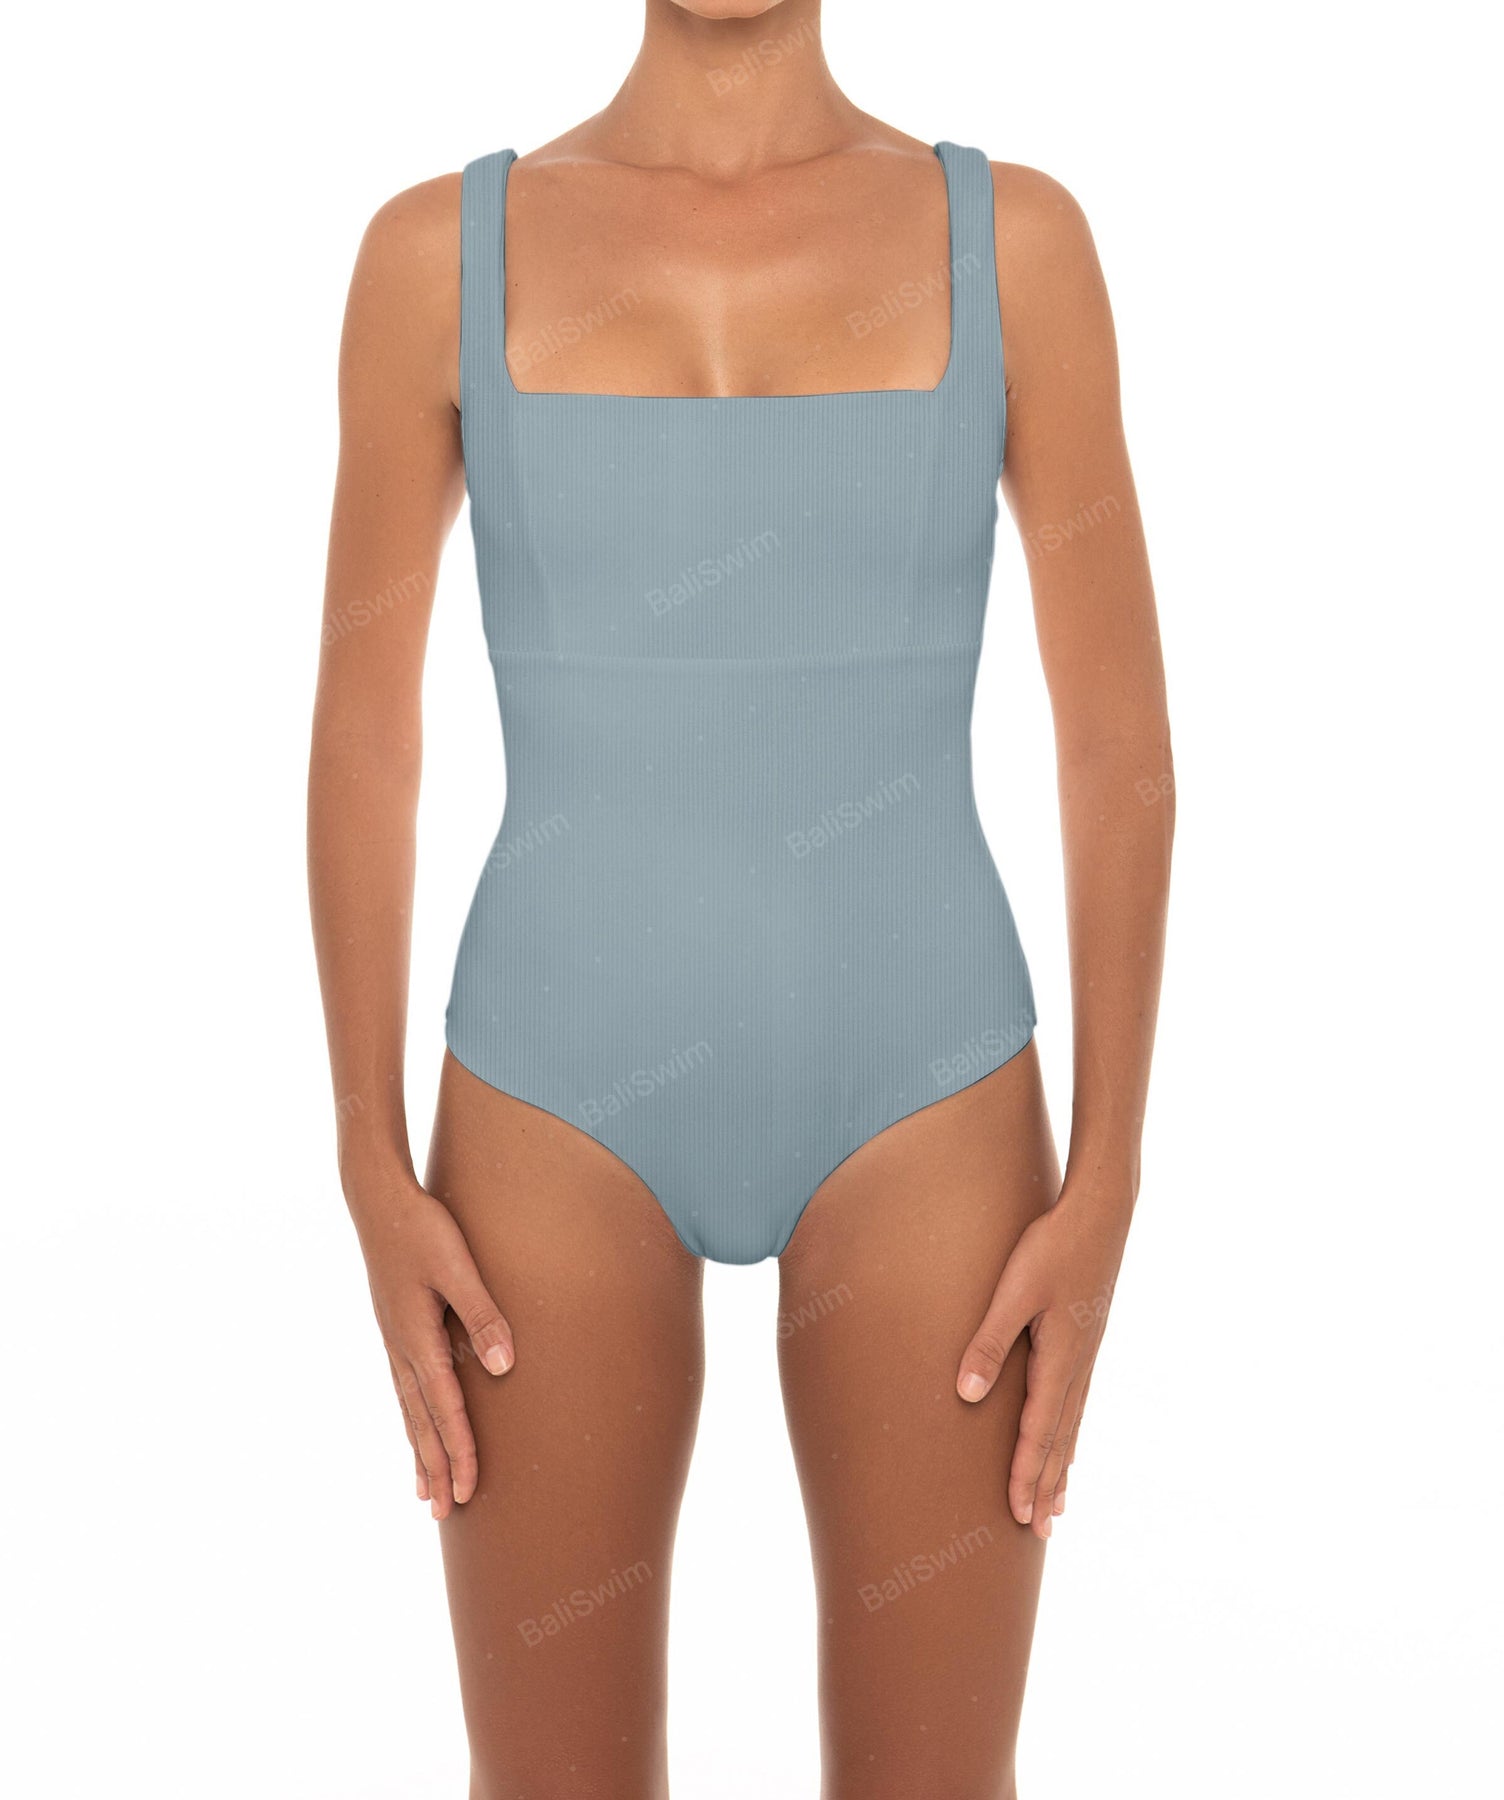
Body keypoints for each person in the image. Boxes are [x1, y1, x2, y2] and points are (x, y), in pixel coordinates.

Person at [308, 2, 1172, 1792]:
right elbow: (363, 739)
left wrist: (1109, 1181)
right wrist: (366, 1164)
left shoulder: (1015, 245)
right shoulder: (434, 257)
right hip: (549, 1100)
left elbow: (1116, 746)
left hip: (929, 1096)